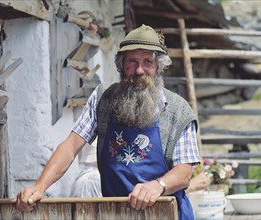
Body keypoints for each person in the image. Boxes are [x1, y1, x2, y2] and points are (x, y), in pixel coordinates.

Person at [16, 24, 200, 219]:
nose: (139, 70)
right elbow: (71, 146)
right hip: (116, 213)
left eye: (147, 61)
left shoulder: (178, 110)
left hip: (166, 214)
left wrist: (158, 185)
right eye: (132, 61)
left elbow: (184, 171)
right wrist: (39, 186)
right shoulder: (104, 98)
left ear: (158, 67)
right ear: (121, 65)